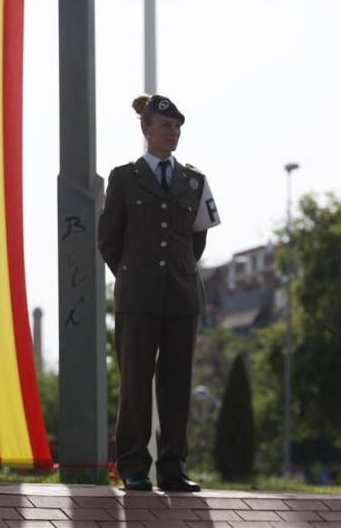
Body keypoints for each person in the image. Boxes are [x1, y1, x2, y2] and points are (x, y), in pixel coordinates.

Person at [98, 94, 220, 492]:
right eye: (166, 126)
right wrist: (135, 275)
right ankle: (133, 466)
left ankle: (173, 467)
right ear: (146, 128)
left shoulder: (194, 181)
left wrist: (177, 272)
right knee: (135, 381)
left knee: (176, 382)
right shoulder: (124, 177)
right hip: (137, 295)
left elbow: (196, 240)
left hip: (182, 295)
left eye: (178, 127)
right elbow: (108, 240)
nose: (174, 133)